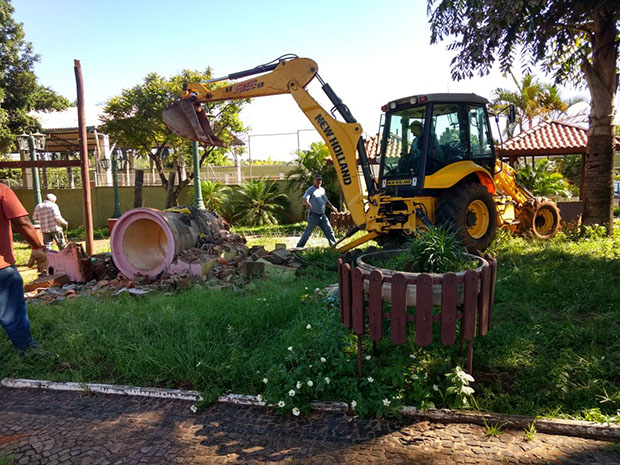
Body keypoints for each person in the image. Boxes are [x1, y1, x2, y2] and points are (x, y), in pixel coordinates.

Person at [0, 183, 46, 355]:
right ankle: (27, 352)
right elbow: (22, 222)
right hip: (1, 269)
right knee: (13, 314)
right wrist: (37, 247)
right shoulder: (2, 190)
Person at [296, 174, 339, 248]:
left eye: (320, 180)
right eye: (317, 180)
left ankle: (334, 246)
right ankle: (299, 246)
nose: (319, 181)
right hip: (314, 216)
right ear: (314, 181)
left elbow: (326, 201)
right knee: (308, 232)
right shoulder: (310, 190)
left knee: (329, 231)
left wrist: (333, 207)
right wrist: (308, 203)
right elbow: (305, 198)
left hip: (322, 216)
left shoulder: (322, 190)